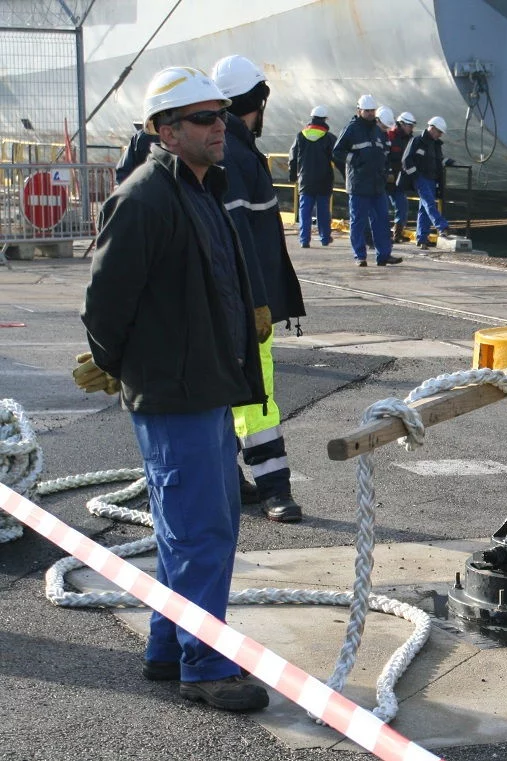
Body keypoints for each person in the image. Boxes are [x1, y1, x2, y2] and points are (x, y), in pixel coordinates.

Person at [77, 66, 269, 712]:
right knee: (201, 532)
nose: (222, 127)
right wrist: (118, 363)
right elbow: (105, 304)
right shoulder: (145, 199)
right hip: (176, 393)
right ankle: (205, 665)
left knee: (185, 530)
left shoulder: (197, 189)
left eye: (221, 115)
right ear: (165, 130)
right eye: (204, 119)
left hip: (206, 385)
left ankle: (168, 646)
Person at [211, 54, 307, 523]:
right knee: (258, 398)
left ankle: (228, 480)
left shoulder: (233, 147)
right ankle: (275, 490)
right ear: (258, 100)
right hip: (247, 307)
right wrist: (257, 303)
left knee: (230, 394)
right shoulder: (235, 153)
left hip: (237, 303)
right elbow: (236, 238)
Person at [332, 95, 402, 267]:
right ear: (359, 111)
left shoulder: (378, 131)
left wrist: (386, 173)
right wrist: (355, 160)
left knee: (382, 221)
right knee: (358, 221)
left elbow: (384, 154)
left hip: (377, 185)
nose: (370, 113)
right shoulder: (351, 129)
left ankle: (384, 255)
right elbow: (337, 152)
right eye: (367, 110)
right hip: (359, 185)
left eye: (372, 110)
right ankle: (360, 256)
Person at [288, 104, 335, 248]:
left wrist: (292, 176)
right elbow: (338, 158)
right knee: (323, 211)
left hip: (305, 179)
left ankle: (304, 240)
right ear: (325, 119)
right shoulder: (329, 138)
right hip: (324, 180)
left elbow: (293, 157)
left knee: (305, 212)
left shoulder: (300, 136)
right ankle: (325, 238)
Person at [401, 115, 451, 249]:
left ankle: (422, 238)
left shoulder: (435, 145)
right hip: (420, 178)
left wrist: (446, 162)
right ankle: (442, 226)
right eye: (439, 132)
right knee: (429, 203)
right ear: (432, 128)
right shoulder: (417, 141)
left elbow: (437, 160)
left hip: (431, 179)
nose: (440, 135)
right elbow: (406, 160)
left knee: (424, 208)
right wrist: (415, 176)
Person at [387, 111, 415, 242]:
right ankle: (381, 232)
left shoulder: (410, 140)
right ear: (401, 124)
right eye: (409, 125)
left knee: (402, 205)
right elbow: (384, 157)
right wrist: (387, 172)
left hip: (399, 180)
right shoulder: (389, 137)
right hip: (386, 180)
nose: (411, 128)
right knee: (382, 207)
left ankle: (397, 234)